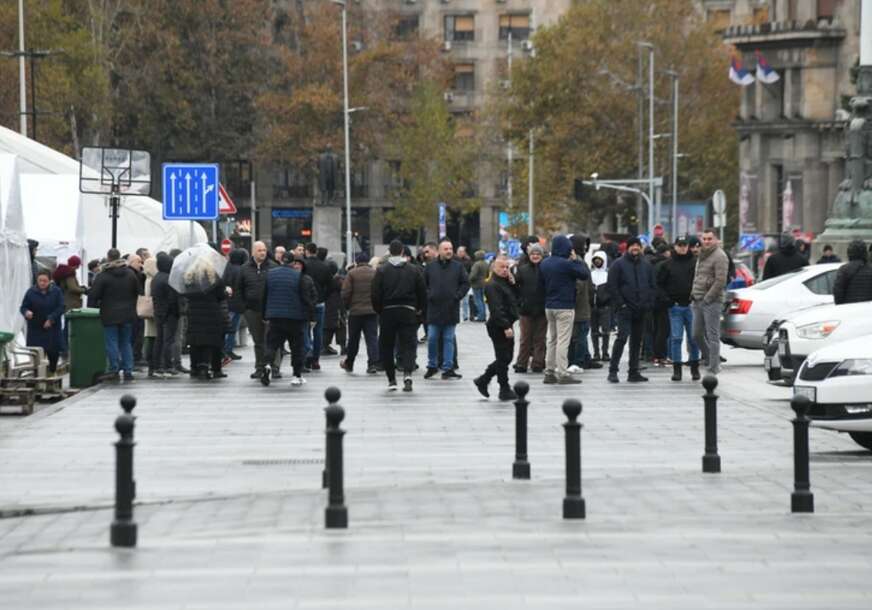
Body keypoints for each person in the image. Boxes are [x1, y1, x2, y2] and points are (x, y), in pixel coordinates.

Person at [372, 240, 427, 392]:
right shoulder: (413, 270)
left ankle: (391, 379)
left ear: (389, 251)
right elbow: (422, 292)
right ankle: (408, 373)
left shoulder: (382, 270)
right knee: (409, 344)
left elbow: (375, 293)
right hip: (408, 311)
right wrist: (419, 309)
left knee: (387, 345)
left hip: (388, 311)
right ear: (403, 251)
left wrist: (379, 310)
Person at [538, 234, 589, 385]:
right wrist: (575, 259)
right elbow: (584, 274)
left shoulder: (544, 263)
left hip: (549, 306)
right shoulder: (566, 264)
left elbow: (541, 285)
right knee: (563, 340)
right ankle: (562, 372)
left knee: (552, 339)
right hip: (565, 306)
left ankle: (549, 372)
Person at [261, 253, 317, 386]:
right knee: (296, 348)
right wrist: (311, 316)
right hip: (295, 318)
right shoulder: (299, 276)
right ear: (293, 263)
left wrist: (264, 315)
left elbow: (264, 296)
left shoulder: (270, 274)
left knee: (272, 345)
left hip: (275, 317)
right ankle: (297, 375)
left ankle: (267, 364)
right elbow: (305, 298)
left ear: (281, 261)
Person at [606, 237, 656, 383]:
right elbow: (612, 286)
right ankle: (613, 371)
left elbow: (652, 285)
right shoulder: (618, 264)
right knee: (622, 338)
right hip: (625, 309)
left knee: (636, 341)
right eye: (632, 245)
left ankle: (633, 372)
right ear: (627, 248)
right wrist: (621, 304)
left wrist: (649, 303)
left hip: (641, 309)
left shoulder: (646, 265)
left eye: (637, 245)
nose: (635, 248)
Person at [88, 248, 141, 381]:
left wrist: (93, 308)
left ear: (108, 258)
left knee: (111, 342)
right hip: (128, 314)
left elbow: (94, 295)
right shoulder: (130, 274)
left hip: (109, 314)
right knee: (126, 343)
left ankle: (114, 369)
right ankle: (128, 371)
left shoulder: (103, 276)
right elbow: (138, 291)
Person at [473, 255, 520, 401]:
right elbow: (496, 308)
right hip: (498, 326)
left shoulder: (505, 282)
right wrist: (505, 326)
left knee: (506, 357)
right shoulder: (492, 285)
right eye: (502, 267)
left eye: (507, 267)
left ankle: (484, 380)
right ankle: (503, 388)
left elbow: (515, 299)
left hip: (507, 323)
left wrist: (513, 283)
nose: (505, 270)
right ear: (494, 268)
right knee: (503, 358)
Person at [424, 239, 469, 380]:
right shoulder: (430, 267)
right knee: (432, 338)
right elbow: (423, 284)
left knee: (448, 339)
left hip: (451, 308)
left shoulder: (458, 266)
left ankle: (448, 368)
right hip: (434, 308)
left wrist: (457, 296)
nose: (449, 251)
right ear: (439, 251)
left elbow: (465, 283)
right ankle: (432, 365)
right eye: (446, 249)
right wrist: (429, 295)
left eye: (450, 248)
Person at [657, 236, 701, 382]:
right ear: (675, 246)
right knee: (676, 338)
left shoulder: (696, 263)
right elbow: (659, 284)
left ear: (688, 246)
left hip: (691, 305)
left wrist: (697, 298)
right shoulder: (667, 265)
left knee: (693, 338)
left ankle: (695, 367)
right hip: (675, 306)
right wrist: (668, 301)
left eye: (684, 245)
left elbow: (701, 281)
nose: (682, 248)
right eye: (680, 245)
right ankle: (677, 369)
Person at [691, 228, 730, 376]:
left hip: (712, 301)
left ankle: (714, 367)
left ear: (715, 240)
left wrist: (707, 298)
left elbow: (721, 281)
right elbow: (697, 276)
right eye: (704, 239)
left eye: (709, 239)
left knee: (712, 335)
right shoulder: (701, 254)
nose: (706, 241)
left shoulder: (720, 256)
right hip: (697, 299)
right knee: (696, 334)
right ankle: (712, 359)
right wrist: (693, 294)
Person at [183, 257, 227, 380]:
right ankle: (209, 368)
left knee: (195, 341)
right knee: (211, 341)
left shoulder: (189, 278)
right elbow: (221, 296)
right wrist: (226, 292)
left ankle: (194, 368)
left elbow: (186, 294)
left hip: (194, 313)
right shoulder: (214, 279)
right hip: (211, 313)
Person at [238, 241, 277, 379]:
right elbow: (239, 289)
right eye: (260, 250)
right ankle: (260, 367)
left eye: (264, 250)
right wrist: (244, 307)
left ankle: (274, 367)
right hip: (252, 310)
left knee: (272, 340)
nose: (262, 253)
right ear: (253, 252)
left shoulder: (273, 267)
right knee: (258, 341)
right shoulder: (244, 268)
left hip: (270, 311)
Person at [341, 251, 380, 374]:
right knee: (372, 339)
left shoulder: (351, 273)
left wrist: (347, 307)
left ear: (357, 262)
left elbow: (345, 293)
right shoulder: (375, 273)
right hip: (372, 312)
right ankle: (373, 364)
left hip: (355, 312)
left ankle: (349, 363)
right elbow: (380, 291)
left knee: (353, 339)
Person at [568, 234, 601, 372]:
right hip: (580, 306)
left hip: (582, 305)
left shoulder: (579, 261)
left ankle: (584, 358)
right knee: (579, 335)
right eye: (583, 245)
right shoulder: (577, 263)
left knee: (579, 335)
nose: (586, 248)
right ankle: (579, 361)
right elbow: (581, 285)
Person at [20, 270, 64, 373]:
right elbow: (23, 307)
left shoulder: (56, 291)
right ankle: (37, 377)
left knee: (53, 354)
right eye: (40, 280)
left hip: (52, 329)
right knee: (37, 357)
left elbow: (61, 307)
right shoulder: (31, 292)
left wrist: (51, 319)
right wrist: (26, 312)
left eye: (45, 281)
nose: (42, 283)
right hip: (36, 329)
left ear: (50, 281)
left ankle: (52, 373)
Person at [513, 243, 547, 373]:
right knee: (525, 339)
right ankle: (522, 363)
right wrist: (519, 302)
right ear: (529, 255)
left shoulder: (546, 269)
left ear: (542, 255)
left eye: (538, 254)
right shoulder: (522, 269)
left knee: (540, 339)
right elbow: (516, 286)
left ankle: (538, 363)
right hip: (526, 309)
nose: (535, 256)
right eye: (533, 254)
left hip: (542, 309)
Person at [303, 242, 333, 370]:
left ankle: (307, 354)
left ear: (307, 251)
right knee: (318, 332)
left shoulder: (304, 265)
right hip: (319, 303)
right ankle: (316, 359)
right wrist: (323, 297)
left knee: (305, 329)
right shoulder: (324, 266)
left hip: (305, 303)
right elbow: (331, 285)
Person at [150, 252, 180, 378]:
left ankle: (156, 366)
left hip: (159, 313)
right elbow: (173, 299)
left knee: (159, 340)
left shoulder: (156, 278)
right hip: (169, 314)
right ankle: (168, 365)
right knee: (168, 340)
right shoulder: (169, 279)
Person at [53, 255, 86, 357]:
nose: (78, 267)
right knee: (68, 328)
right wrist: (84, 290)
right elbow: (72, 288)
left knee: (67, 327)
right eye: (78, 265)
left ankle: (64, 348)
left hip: (66, 302)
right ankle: (64, 349)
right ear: (75, 265)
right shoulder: (70, 274)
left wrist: (80, 287)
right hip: (71, 303)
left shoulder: (65, 272)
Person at [222, 248, 248, 362]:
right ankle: (228, 349)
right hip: (237, 303)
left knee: (227, 327)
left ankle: (226, 349)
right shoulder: (240, 270)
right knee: (232, 328)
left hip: (227, 302)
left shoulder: (227, 268)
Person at [833, 239, 872, 304]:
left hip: (849, 307)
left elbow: (838, 293)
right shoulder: (870, 269)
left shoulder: (844, 270)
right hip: (867, 308)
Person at [589, 251, 611, 361]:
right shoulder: (590, 274)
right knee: (594, 331)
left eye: (599, 259)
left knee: (606, 331)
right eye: (595, 259)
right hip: (592, 307)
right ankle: (596, 353)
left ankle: (605, 352)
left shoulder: (608, 275)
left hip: (605, 307)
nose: (597, 262)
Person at [142, 256, 159, 377]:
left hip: (149, 314)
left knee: (151, 337)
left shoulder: (147, 279)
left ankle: (151, 364)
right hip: (153, 313)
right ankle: (152, 364)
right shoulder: (152, 280)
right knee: (154, 339)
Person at [468, 250, 489, 322]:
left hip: (476, 284)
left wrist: (469, 280)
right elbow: (488, 274)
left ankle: (480, 316)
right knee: (482, 300)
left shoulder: (476, 264)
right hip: (484, 283)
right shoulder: (486, 264)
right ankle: (483, 315)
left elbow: (473, 275)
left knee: (477, 300)